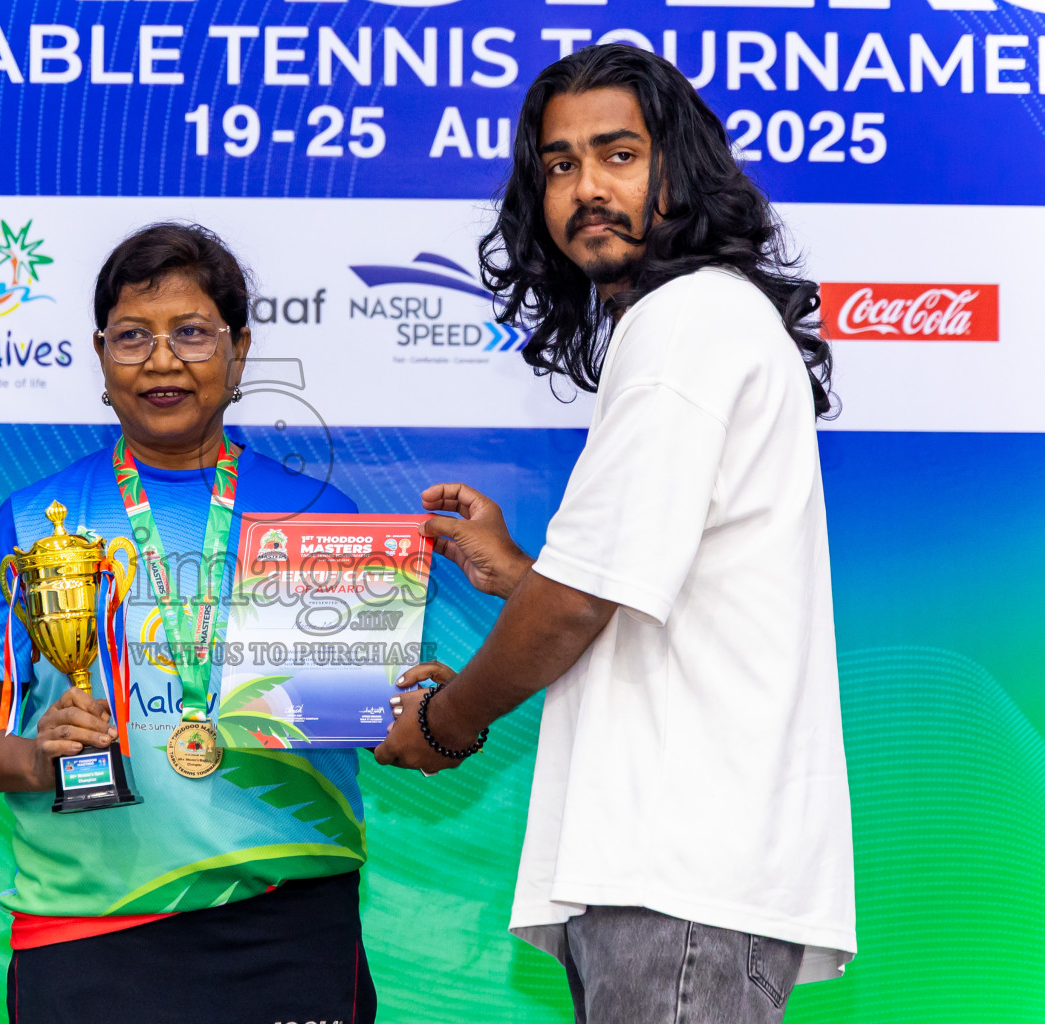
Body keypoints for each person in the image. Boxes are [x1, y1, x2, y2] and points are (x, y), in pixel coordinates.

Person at [374, 44, 855, 1023]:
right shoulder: (704, 320)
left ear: (680, 171)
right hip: (679, 885)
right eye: (558, 165)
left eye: (618, 155)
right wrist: (521, 576)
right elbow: (636, 585)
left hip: (679, 880)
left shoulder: (685, 323)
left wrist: (445, 722)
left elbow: (586, 601)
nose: (585, 188)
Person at [0, 223, 375, 1024]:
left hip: (285, 927)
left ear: (238, 352)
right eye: (133, 336)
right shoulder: (36, 521)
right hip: (91, 928)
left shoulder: (317, 517)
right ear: (101, 357)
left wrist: (426, 712)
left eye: (192, 333)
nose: (163, 360)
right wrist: (36, 757)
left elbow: (369, 721)